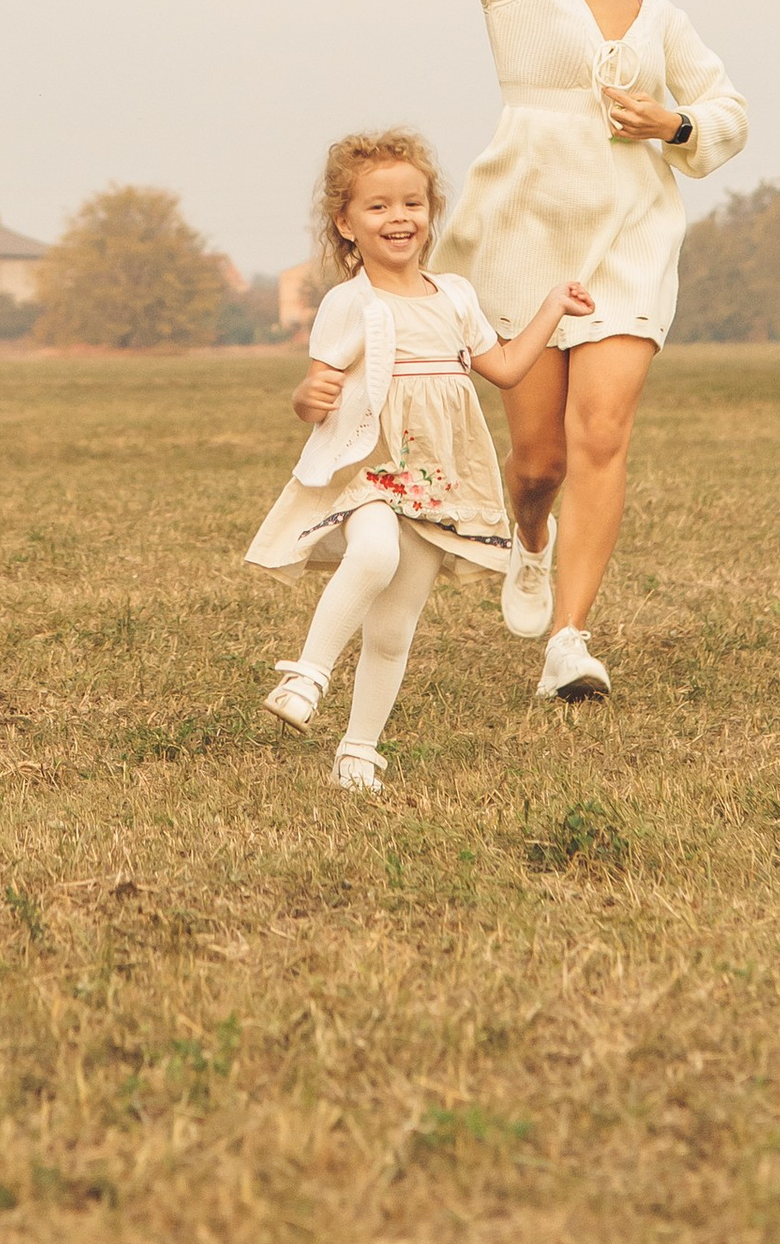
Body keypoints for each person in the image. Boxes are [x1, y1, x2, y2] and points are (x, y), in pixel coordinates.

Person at [292, 0, 748, 706]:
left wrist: (670, 126)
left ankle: (571, 643)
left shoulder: (659, 17)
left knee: (602, 434)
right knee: (536, 458)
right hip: (523, 238)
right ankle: (528, 538)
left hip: (629, 237)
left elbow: (725, 111)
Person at [245, 129, 587, 793]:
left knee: (395, 629)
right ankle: (307, 676)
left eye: (412, 203)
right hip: (370, 470)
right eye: (377, 207)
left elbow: (509, 370)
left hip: (437, 482)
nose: (398, 218)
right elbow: (315, 396)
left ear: (431, 211)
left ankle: (358, 753)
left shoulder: (456, 295)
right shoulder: (351, 302)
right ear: (345, 223)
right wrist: (305, 395)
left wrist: (551, 308)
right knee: (372, 554)